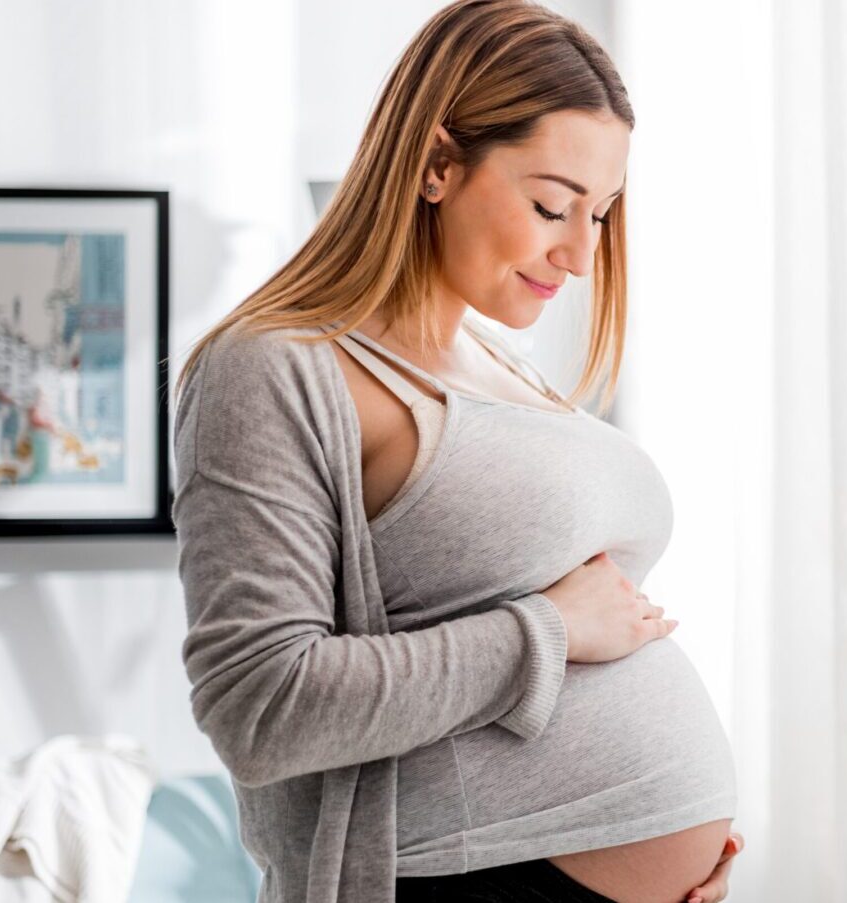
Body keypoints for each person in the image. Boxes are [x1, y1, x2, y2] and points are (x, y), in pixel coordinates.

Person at [171, 1, 745, 901]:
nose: (580, 255)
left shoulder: (490, 360)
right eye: (551, 205)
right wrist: (548, 632)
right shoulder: (275, 371)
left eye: (599, 214)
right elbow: (261, 704)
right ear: (437, 163)